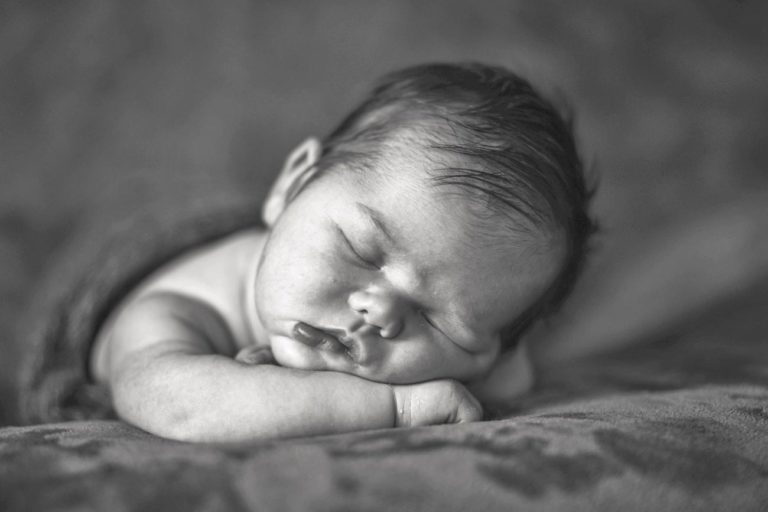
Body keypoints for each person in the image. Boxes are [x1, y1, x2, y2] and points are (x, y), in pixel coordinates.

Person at [89, 62, 596, 442]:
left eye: (439, 321)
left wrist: (482, 354)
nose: (378, 311)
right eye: (361, 250)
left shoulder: (484, 349)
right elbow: (181, 408)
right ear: (292, 186)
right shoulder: (174, 309)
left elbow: (509, 372)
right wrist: (396, 408)